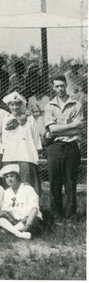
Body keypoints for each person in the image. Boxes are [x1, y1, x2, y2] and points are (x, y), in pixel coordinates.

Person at [44, 75, 83, 219]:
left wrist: (60, 129)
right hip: (54, 146)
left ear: (66, 85)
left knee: (70, 181)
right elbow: (52, 129)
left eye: (62, 85)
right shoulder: (49, 106)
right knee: (55, 181)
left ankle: (70, 215)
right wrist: (72, 125)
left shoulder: (76, 104)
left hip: (71, 146)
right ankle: (57, 215)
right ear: (53, 88)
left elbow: (78, 130)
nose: (60, 89)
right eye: (57, 86)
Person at [2, 91, 42, 195]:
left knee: (27, 185)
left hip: (26, 156)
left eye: (17, 104)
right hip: (10, 156)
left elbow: (35, 138)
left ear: (21, 105)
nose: (14, 107)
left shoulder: (29, 118)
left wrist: (36, 155)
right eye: (12, 104)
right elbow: (4, 140)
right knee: (11, 185)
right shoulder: (6, 119)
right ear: (8, 105)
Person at [0, 164, 45, 240]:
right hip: (15, 221)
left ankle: (8, 230)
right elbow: (5, 210)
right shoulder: (7, 192)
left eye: (12, 176)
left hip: (29, 220)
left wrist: (27, 225)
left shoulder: (27, 188)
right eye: (7, 177)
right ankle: (18, 233)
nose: (9, 179)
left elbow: (34, 208)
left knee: (31, 221)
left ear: (17, 177)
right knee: (0, 218)